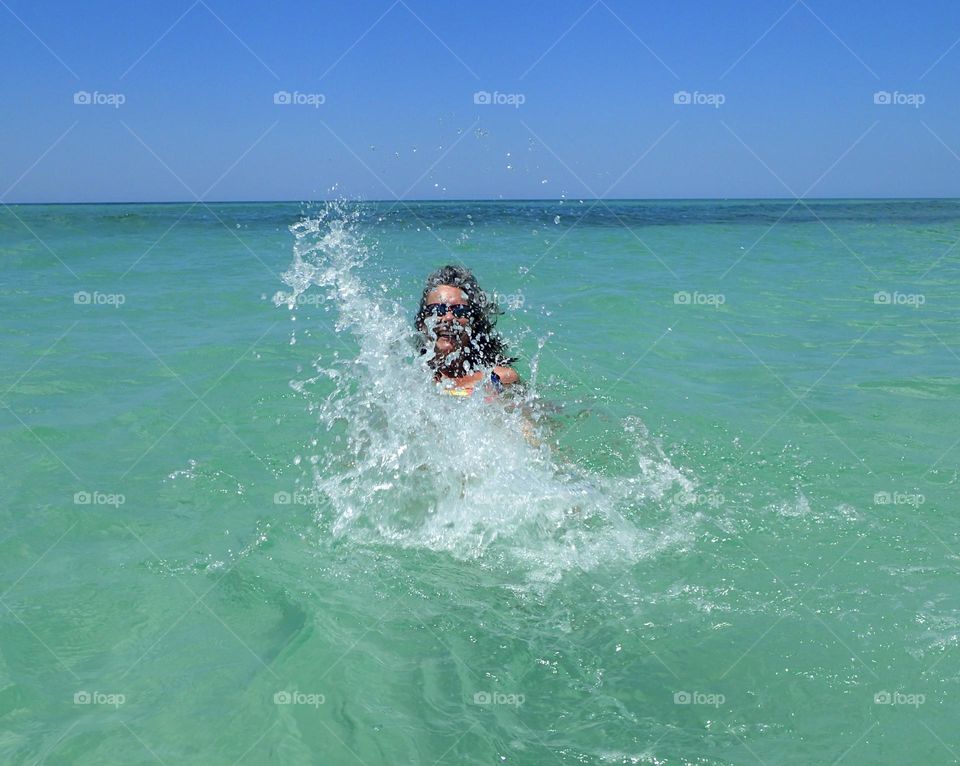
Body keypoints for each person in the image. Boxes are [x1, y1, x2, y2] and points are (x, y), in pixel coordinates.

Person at [414, 265, 519, 397]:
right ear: (422, 323)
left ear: (474, 322)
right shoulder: (411, 381)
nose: (448, 318)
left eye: (460, 311)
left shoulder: (499, 379)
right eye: (438, 310)